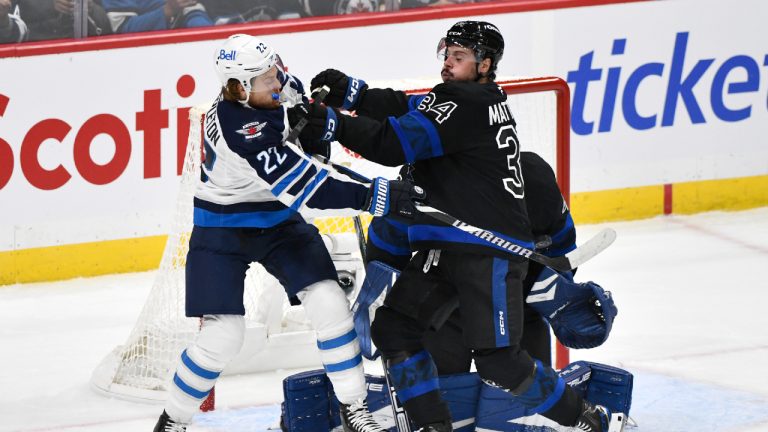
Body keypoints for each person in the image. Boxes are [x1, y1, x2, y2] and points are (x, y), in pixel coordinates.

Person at [289, 20, 614, 432]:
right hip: (448, 248)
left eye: (458, 57)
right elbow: (411, 108)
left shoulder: (466, 105)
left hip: (488, 254)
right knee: (394, 328)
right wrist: (357, 96)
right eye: (447, 54)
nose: (448, 63)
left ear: (484, 64)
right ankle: (433, 426)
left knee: (500, 362)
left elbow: (393, 145)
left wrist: (332, 123)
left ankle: (586, 419)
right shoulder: (470, 100)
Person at [152, 33, 425, 432]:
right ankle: (172, 421)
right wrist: (376, 196)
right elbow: (308, 188)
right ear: (238, 89)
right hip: (222, 227)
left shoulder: (269, 87)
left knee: (330, 304)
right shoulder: (241, 128)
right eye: (266, 79)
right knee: (223, 335)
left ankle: (355, 410)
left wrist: (317, 110)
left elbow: (302, 111)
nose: (277, 82)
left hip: (277, 220)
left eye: (274, 70)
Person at [18, 0, 111, 41]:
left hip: (84, 54)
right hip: (37, 55)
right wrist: (51, 7)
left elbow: (106, 30)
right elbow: (15, 32)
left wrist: (91, 9)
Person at [102, 0, 212, 33]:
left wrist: (208, 37)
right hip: (138, 60)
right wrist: (168, 10)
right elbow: (123, 28)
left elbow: (192, 10)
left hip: (181, 52)